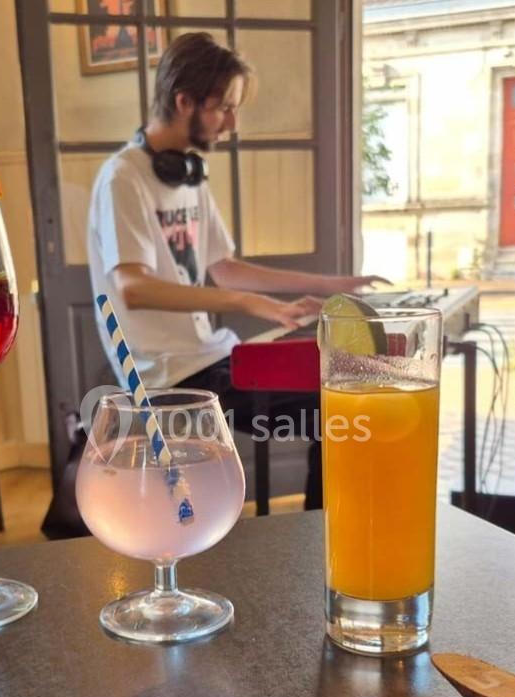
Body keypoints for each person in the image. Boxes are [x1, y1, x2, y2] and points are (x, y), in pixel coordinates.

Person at [87, 32, 383, 509]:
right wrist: (248, 304)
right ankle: (318, 543)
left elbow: (223, 268)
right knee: (339, 417)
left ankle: (323, 544)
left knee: (347, 405)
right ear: (185, 101)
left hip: (209, 360)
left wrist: (329, 284)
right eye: (223, 107)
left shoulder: (187, 175)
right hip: (169, 379)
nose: (231, 122)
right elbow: (133, 288)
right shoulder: (124, 178)